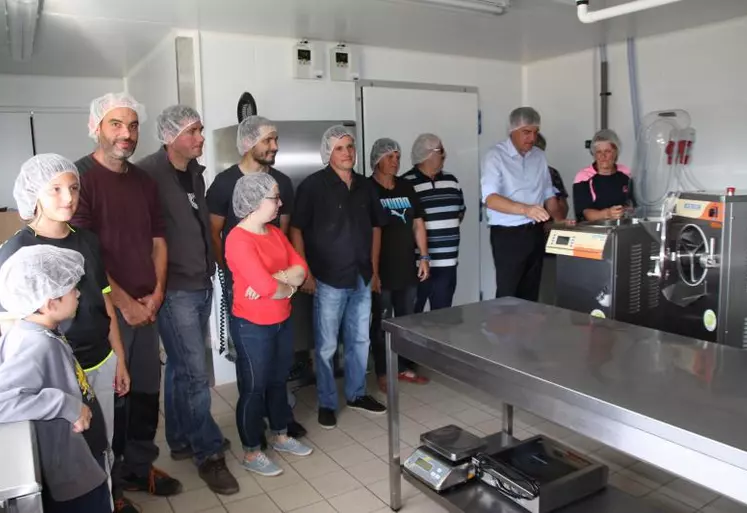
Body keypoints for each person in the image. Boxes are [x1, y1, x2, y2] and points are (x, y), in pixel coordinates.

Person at [0, 154, 132, 512]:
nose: (68, 198)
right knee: (72, 453)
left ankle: (110, 495)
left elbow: (106, 302)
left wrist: (118, 357)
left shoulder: (86, 240)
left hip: (100, 359)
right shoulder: (17, 250)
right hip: (56, 374)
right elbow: (15, 326)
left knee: (101, 440)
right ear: (34, 195)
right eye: (55, 189)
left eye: (73, 188)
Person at [72, 92, 183, 498]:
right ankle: (109, 485)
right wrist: (126, 305)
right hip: (106, 313)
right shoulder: (80, 179)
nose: (126, 133)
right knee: (111, 400)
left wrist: (155, 294)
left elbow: (159, 239)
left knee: (145, 393)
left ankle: (139, 467)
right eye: (116, 124)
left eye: (133, 125)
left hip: (146, 308)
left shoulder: (143, 181)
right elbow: (84, 253)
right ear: (96, 127)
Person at [137, 106, 239, 495]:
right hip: (174, 287)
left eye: (200, 130)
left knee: (182, 368)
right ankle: (209, 454)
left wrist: (213, 265)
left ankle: (180, 439)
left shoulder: (195, 172)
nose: (200, 138)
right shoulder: (148, 173)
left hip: (201, 280)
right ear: (171, 136)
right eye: (193, 132)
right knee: (197, 373)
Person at [205, 115, 306, 440]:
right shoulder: (225, 183)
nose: (275, 147)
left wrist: (277, 278)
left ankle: (279, 424)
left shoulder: (282, 185)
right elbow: (215, 234)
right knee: (254, 377)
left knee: (276, 374)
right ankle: (253, 440)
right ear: (249, 142)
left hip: (276, 289)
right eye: (268, 140)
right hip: (248, 293)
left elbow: (285, 242)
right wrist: (241, 276)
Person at [290, 125, 388, 429]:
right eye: (341, 148)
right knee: (327, 345)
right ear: (328, 153)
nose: (348, 152)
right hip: (328, 278)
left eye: (351, 146)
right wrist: (304, 271)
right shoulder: (312, 186)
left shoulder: (365, 187)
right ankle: (327, 403)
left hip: (360, 276)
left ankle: (357, 394)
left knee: (359, 340)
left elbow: (375, 228)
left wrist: (373, 270)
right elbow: (296, 229)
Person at [0, 245, 111, 513]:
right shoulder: (35, 344)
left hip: (83, 459)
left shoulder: (43, 331)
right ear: (50, 303)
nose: (78, 293)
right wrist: (66, 404)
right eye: (72, 289)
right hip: (72, 475)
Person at [226, 173, 313, 477]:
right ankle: (251, 451)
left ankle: (280, 435)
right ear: (254, 201)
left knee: (278, 382)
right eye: (274, 198)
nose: (280, 203)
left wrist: (279, 281)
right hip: (252, 326)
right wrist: (284, 283)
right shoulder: (237, 239)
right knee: (253, 388)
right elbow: (266, 286)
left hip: (281, 320)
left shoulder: (274, 233)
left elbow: (301, 268)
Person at [481, 107, 565, 302]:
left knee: (531, 292)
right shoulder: (495, 156)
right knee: (509, 293)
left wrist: (560, 221)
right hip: (508, 235)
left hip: (535, 232)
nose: (532, 138)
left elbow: (548, 193)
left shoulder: (539, 156)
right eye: (526, 132)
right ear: (512, 130)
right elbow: (490, 198)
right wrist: (526, 210)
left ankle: (528, 332)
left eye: (535, 132)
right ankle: (503, 333)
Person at [367, 138, 430, 393]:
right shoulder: (367, 189)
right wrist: (372, 272)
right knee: (381, 322)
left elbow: (418, 223)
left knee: (407, 321)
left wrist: (424, 257)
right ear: (376, 160)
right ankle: (382, 371)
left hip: (406, 266)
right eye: (390, 157)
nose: (395, 161)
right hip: (381, 269)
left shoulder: (406, 187)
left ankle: (404, 366)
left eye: (397, 156)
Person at [402, 134, 465, 312]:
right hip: (417, 265)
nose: (444, 155)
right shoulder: (406, 184)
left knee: (443, 317)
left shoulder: (452, 181)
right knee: (412, 318)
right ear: (427, 154)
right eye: (441, 151)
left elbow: (460, 212)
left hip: (447, 263)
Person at [573, 129, 634, 222]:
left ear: (616, 153)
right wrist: (608, 213)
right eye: (599, 152)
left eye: (607, 151)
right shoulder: (584, 176)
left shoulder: (625, 173)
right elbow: (585, 213)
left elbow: (633, 204)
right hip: (593, 230)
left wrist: (627, 210)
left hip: (623, 228)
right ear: (594, 154)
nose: (603, 156)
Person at [535, 133, 569, 220]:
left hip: (546, 224)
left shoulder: (551, 173)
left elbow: (562, 208)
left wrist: (553, 223)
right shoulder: (511, 172)